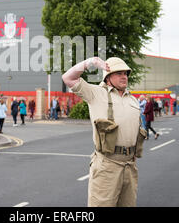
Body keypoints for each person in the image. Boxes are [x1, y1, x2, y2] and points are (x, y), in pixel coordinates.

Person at [62, 56, 147, 207]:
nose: (124, 76)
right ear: (108, 77)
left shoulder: (132, 99)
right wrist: (90, 63)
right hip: (107, 165)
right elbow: (68, 78)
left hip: (129, 166)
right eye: (119, 73)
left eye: (126, 73)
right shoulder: (96, 93)